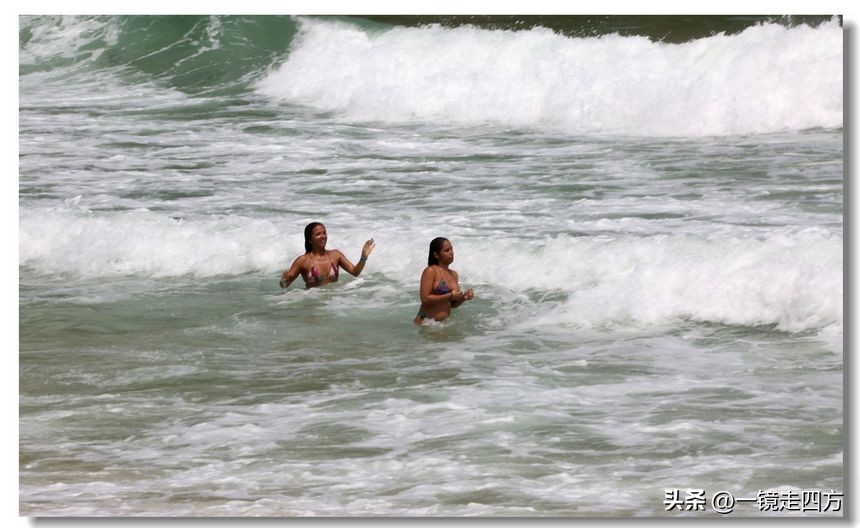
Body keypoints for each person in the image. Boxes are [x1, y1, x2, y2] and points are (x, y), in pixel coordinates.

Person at [279, 222, 375, 289]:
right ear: (310, 240)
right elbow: (284, 285)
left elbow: (355, 272)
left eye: (324, 233)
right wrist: (285, 280)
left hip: (333, 303)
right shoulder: (303, 261)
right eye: (318, 234)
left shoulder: (336, 255)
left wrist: (364, 256)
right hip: (312, 302)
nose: (323, 236)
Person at [415, 237, 474, 324]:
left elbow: (451, 304)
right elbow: (425, 299)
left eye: (451, 249)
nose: (451, 252)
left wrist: (463, 298)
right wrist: (450, 295)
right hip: (426, 324)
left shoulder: (454, 274)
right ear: (436, 255)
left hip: (442, 325)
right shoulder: (431, 271)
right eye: (447, 250)